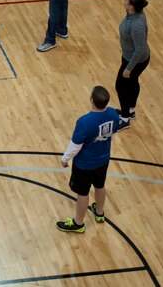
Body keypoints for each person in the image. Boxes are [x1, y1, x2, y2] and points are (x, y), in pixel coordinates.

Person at [57, 86, 119, 233]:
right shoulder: (113, 114)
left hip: (84, 165)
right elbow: (113, 134)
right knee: (100, 185)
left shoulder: (85, 122)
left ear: (91, 100)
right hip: (103, 160)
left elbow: (75, 146)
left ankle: (78, 224)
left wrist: (65, 159)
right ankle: (99, 212)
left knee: (83, 193)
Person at [115, 0, 150, 131]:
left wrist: (129, 68)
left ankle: (124, 119)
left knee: (120, 86)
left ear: (131, 7)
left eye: (126, 0)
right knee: (132, 83)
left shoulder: (137, 25)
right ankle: (131, 110)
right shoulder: (133, 13)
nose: (124, 0)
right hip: (129, 56)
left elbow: (140, 49)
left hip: (135, 61)